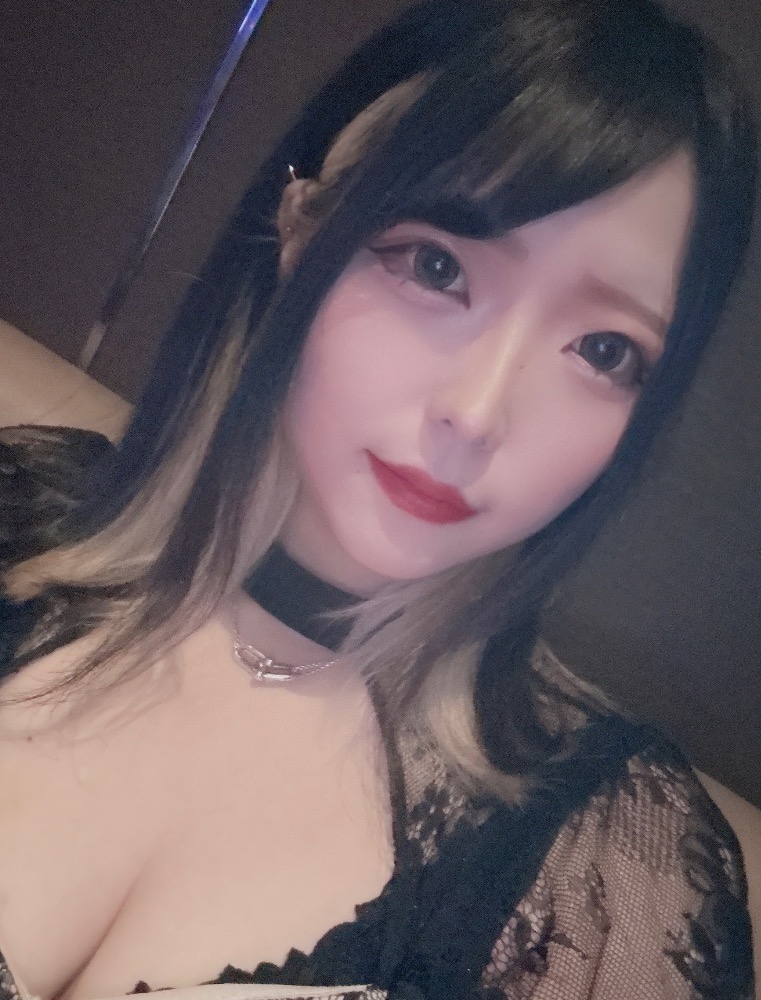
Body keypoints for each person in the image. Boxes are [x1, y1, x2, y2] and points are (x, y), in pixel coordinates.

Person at [0, 0, 756, 997]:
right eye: (436, 267)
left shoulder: (603, 878)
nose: (475, 414)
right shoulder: (20, 510)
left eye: (603, 350)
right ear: (301, 225)